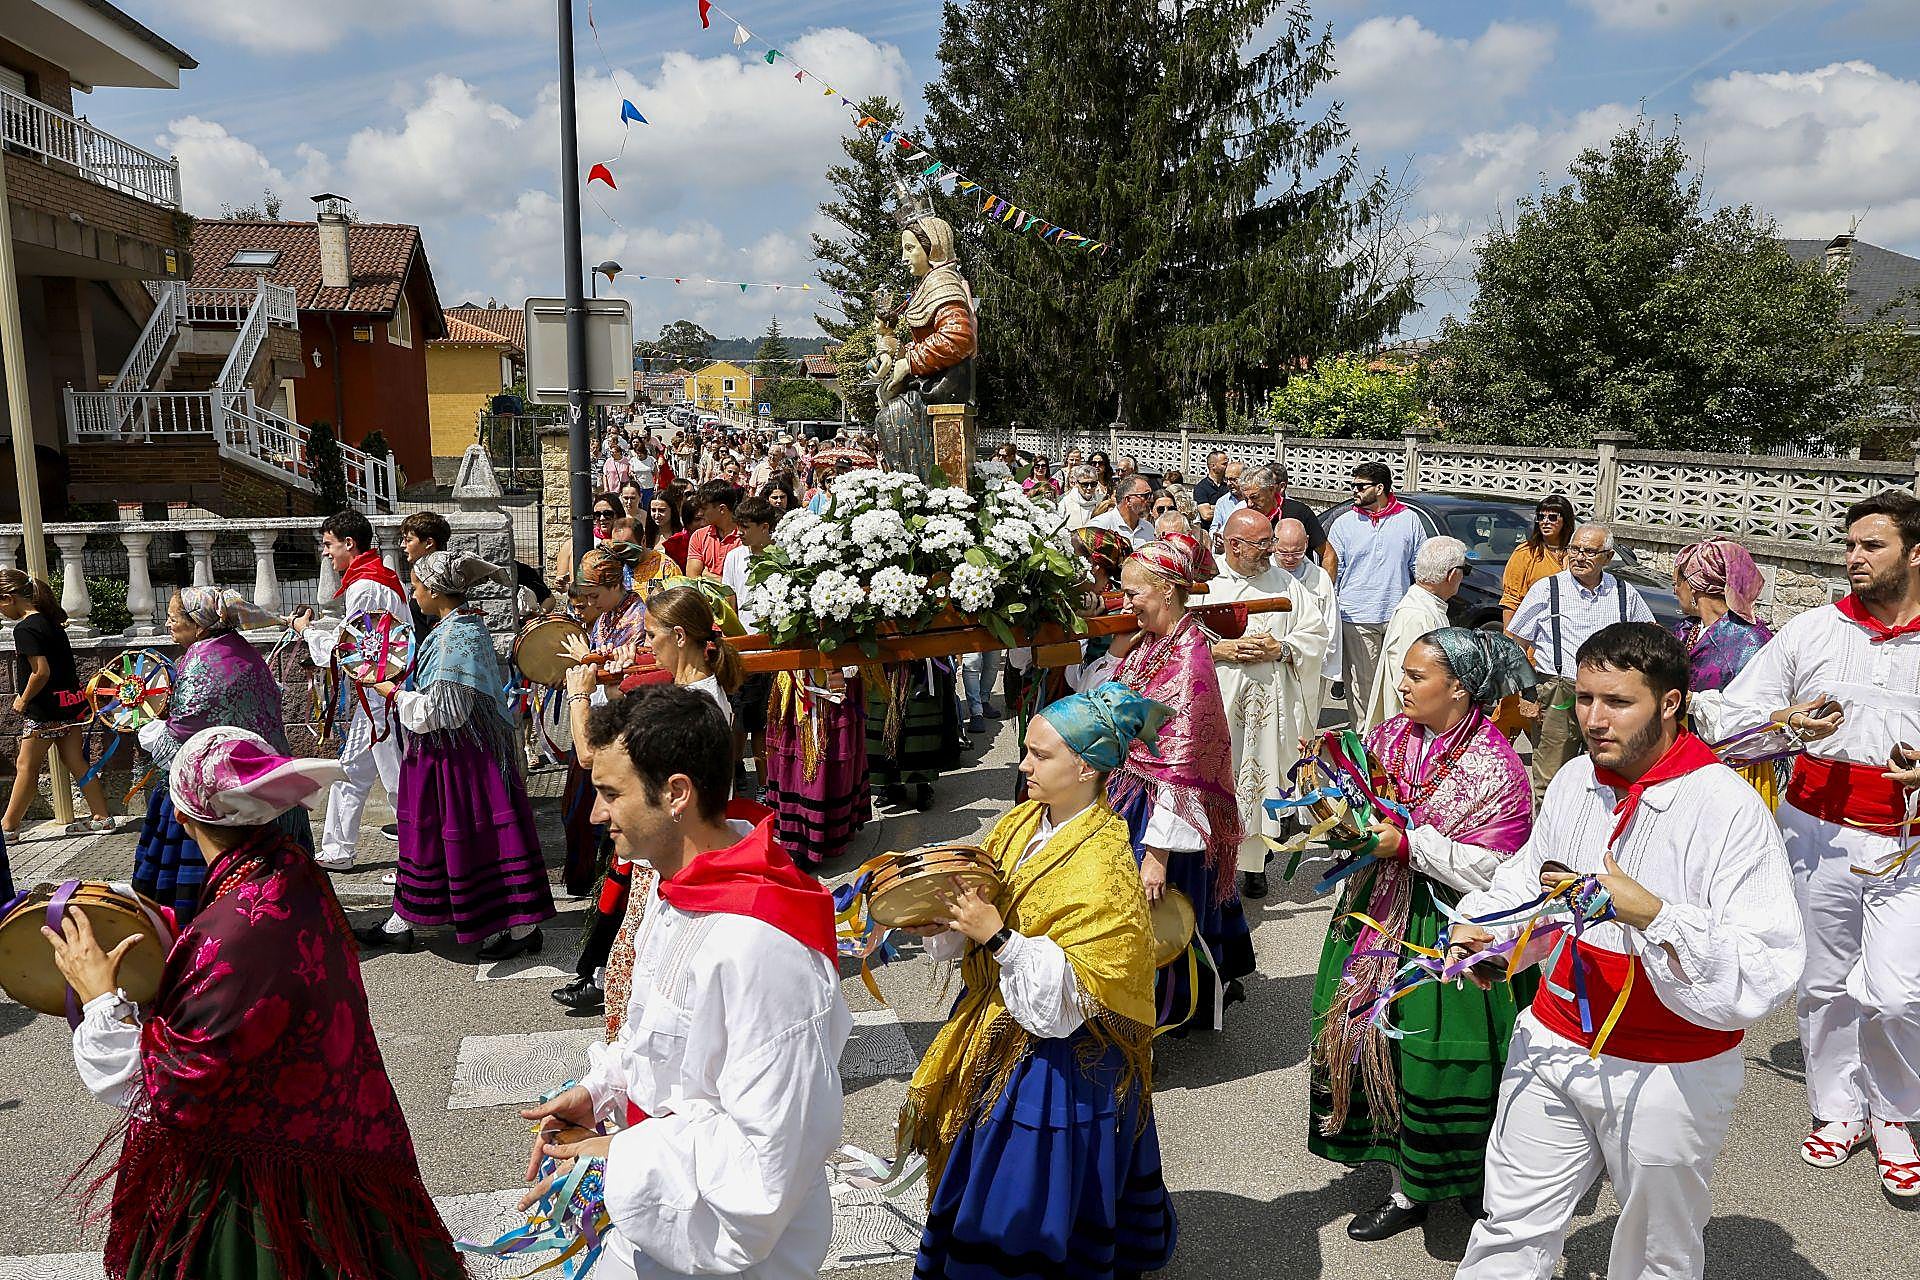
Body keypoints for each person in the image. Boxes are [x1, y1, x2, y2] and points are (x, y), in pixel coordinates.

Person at [1451, 623, 1805, 1277]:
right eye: (1585, 699)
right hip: (1554, 1041)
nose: (1593, 719)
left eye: (1616, 702)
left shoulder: (1727, 808)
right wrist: (1489, 936)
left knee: (1653, 1253)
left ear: (1670, 703)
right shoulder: (1575, 780)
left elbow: (1770, 965)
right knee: (1510, 1226)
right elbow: (1530, 881)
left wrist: (1659, 916)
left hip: (1668, 1070)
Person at [54, 726, 463, 1280]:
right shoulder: (293, 873)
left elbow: (170, 1085)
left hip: (252, 1185)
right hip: (331, 1142)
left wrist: (99, 996)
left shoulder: (233, 930)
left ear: (181, 818)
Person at [521, 685, 851, 1279]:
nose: (596, 814)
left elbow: (770, 1155)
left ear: (676, 794)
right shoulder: (677, 886)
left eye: (610, 794)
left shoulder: (760, 944)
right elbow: (663, 1038)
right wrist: (603, 1090)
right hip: (661, 1207)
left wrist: (617, 1158)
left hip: (726, 1247)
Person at [904, 683, 1180, 1278]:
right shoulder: (1024, 820)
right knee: (989, 1169)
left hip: (1059, 1060)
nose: (1023, 764)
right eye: (1026, 750)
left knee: (1027, 1187)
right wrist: (947, 917)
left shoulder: (1103, 864)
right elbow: (984, 896)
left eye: (1040, 754)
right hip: (1002, 1023)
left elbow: (1071, 1003)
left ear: (1085, 767)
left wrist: (996, 936)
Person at [1719, 491, 1920, 1194]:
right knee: (1824, 982)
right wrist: (1784, 722)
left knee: (1898, 994)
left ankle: (1896, 1113)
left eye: (1873, 545)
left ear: (1915, 553)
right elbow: (1731, 714)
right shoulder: (1812, 630)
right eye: (1851, 544)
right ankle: (1840, 1109)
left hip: (1909, 843)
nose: (1854, 557)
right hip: (1817, 832)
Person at [1310, 628, 1536, 1242]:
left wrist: (1409, 844)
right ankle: (1405, 1181)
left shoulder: (1497, 766)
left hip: (1451, 929)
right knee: (1378, 1043)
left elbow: (1499, 867)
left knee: (1441, 1054)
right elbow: (1359, 807)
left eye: (1416, 675)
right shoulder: (1386, 738)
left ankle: (1463, 1176)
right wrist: (1337, 821)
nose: (1402, 685)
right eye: (1404, 673)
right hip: (1378, 914)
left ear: (1459, 688)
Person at [351, 552, 554, 960]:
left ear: (436, 591)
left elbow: (443, 712)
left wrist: (391, 692)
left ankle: (521, 928)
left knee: (468, 838)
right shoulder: (460, 626)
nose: (414, 593)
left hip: (457, 762)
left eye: (417, 585)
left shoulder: (453, 640)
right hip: (455, 758)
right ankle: (403, 920)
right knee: (433, 838)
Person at [554, 584, 741, 1013]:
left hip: (674, 848)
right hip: (678, 841)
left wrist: (580, 694)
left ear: (679, 637)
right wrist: (617, 690)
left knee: (641, 976)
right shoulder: (696, 692)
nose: (643, 645)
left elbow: (590, 755)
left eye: (650, 634)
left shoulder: (691, 703)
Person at [1107, 534, 1252, 1031]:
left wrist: (1157, 854)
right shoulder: (1153, 644)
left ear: (1167, 591)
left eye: (1134, 594)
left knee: (1161, 909)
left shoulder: (1188, 658)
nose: (1127, 603)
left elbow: (1181, 768)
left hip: (1165, 815)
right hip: (1132, 792)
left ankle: (1159, 1013)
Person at [132, 588, 305, 923]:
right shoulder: (240, 649)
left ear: (198, 626)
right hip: (265, 774)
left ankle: (197, 925)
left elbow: (182, 733)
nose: (167, 623)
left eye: (173, 617)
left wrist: (148, 727)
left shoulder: (200, 663)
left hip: (219, 790)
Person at [1211, 510, 1334, 901]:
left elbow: (1316, 634)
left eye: (1271, 542)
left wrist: (1282, 648)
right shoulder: (1207, 584)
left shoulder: (1286, 584)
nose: (1271, 551)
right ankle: (1214, 863)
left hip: (1267, 708)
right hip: (1217, 702)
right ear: (1233, 544)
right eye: (1262, 543)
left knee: (1261, 782)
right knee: (1219, 783)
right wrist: (1220, 648)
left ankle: (1256, 865)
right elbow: (1178, 635)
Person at [1508, 523, 1655, 803]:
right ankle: (1548, 838)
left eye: (1589, 551)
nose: (1579, 557)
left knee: (1610, 769)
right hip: (1559, 691)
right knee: (1551, 775)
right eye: (1575, 549)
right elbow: (1514, 644)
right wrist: (1526, 694)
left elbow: (1648, 637)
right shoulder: (1548, 590)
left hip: (1611, 694)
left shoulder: (1624, 592)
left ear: (1607, 557)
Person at [292, 510, 405, 871]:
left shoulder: (364, 585)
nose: (326, 553)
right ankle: (339, 850)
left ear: (349, 543)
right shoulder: (376, 576)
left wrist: (307, 633)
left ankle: (417, 861)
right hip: (378, 694)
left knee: (397, 779)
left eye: (329, 544)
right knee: (352, 771)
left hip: (382, 695)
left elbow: (355, 650)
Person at [0, 568, 113, 841]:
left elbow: (41, 672)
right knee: (75, 759)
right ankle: (102, 816)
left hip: (44, 710)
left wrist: (22, 699)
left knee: (26, 766)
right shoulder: (52, 622)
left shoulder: (25, 628)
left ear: (8, 598)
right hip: (70, 704)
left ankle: (8, 827)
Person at [1327, 463, 1427, 727]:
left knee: (1400, 680)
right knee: (1362, 686)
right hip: (1356, 615)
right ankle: (1365, 739)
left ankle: (1397, 736)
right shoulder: (1344, 523)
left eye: (1360, 486)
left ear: (1380, 488)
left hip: (1399, 614)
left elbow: (1419, 567)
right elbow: (1335, 571)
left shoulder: (1409, 520)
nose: (1354, 491)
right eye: (1353, 485)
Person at [1361, 536, 1466, 731]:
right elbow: (1411, 681)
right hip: (1414, 726)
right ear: (1452, 575)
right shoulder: (1417, 616)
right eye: (1465, 570)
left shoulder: (1428, 606)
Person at [723, 497, 777, 790]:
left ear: (765, 527)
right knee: (739, 721)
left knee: (764, 725)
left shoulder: (782, 556)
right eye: (738, 526)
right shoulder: (734, 557)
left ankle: (767, 787)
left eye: (746, 527)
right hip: (744, 651)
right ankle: (733, 784)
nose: (740, 532)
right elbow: (730, 602)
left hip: (775, 652)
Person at [1499, 494, 1575, 633]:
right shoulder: (1526, 552)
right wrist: (1509, 639)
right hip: (1533, 632)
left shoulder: (1576, 553)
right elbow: (1511, 600)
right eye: (1541, 517)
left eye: (1552, 517)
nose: (1545, 522)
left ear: (1566, 521)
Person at [398, 510, 452, 637]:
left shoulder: (438, 579)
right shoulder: (423, 574)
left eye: (408, 540)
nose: (402, 545)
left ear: (428, 543)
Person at [1089, 474, 1157, 548]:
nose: (1151, 500)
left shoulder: (1148, 528)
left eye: (1151, 495)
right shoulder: (1100, 526)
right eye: (1146, 495)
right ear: (1128, 500)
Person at [1057, 465, 1105, 532]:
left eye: (1093, 484)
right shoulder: (1065, 502)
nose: (1089, 488)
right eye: (1085, 484)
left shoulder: (1101, 501)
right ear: (1076, 483)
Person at [1192, 450, 1233, 525]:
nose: (1228, 466)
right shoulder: (1201, 488)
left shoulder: (1229, 485)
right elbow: (1206, 515)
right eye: (1224, 464)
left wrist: (1213, 507)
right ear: (1213, 466)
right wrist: (1228, 507)